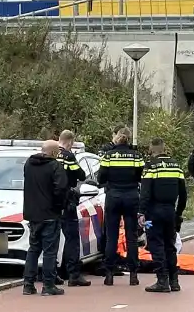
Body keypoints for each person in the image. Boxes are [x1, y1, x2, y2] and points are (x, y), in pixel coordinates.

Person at [138, 138, 188, 293]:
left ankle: (162, 280)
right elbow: (184, 194)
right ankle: (174, 281)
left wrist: (141, 213)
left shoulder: (151, 166)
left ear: (151, 150)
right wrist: (178, 213)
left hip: (153, 214)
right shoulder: (176, 166)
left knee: (155, 244)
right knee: (170, 245)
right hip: (170, 213)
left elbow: (145, 192)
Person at [97, 126, 145, 286]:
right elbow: (141, 176)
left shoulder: (108, 156)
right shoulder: (136, 156)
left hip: (113, 196)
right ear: (129, 138)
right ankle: (133, 274)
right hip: (131, 196)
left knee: (112, 236)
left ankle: (109, 274)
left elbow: (101, 177)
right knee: (132, 236)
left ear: (117, 137)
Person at [22, 140, 70, 296]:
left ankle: (28, 285)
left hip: (32, 214)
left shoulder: (29, 164)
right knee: (50, 251)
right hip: (50, 214)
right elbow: (61, 189)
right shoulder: (55, 166)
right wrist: (59, 207)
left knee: (34, 249)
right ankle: (48, 285)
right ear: (55, 153)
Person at [57, 130, 91, 287]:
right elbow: (82, 175)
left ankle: (55, 273)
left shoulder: (49, 154)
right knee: (72, 239)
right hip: (67, 202)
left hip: (50, 203)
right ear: (70, 142)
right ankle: (73, 274)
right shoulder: (69, 157)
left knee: (52, 239)